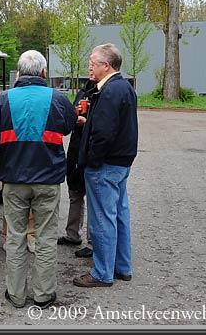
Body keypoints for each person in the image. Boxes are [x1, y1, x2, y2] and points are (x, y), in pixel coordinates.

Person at [0, 50, 76, 309]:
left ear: (19, 73)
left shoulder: (4, 99)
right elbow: (68, 126)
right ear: (44, 73)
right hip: (48, 178)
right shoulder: (58, 98)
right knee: (45, 237)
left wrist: (11, 147)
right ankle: (44, 294)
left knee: (16, 236)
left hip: (14, 178)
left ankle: (16, 294)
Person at [73, 43, 138, 288]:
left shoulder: (110, 91)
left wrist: (91, 161)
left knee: (102, 220)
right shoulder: (124, 87)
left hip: (106, 165)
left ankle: (102, 272)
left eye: (93, 62)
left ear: (106, 65)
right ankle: (122, 267)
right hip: (120, 164)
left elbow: (103, 133)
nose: (90, 66)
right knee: (119, 215)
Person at [57, 74, 98, 259]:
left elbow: (104, 124)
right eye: (89, 67)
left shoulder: (104, 92)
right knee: (74, 192)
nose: (90, 70)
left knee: (92, 197)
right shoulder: (84, 90)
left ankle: (92, 242)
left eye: (93, 66)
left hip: (91, 148)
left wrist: (86, 121)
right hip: (76, 146)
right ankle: (72, 234)